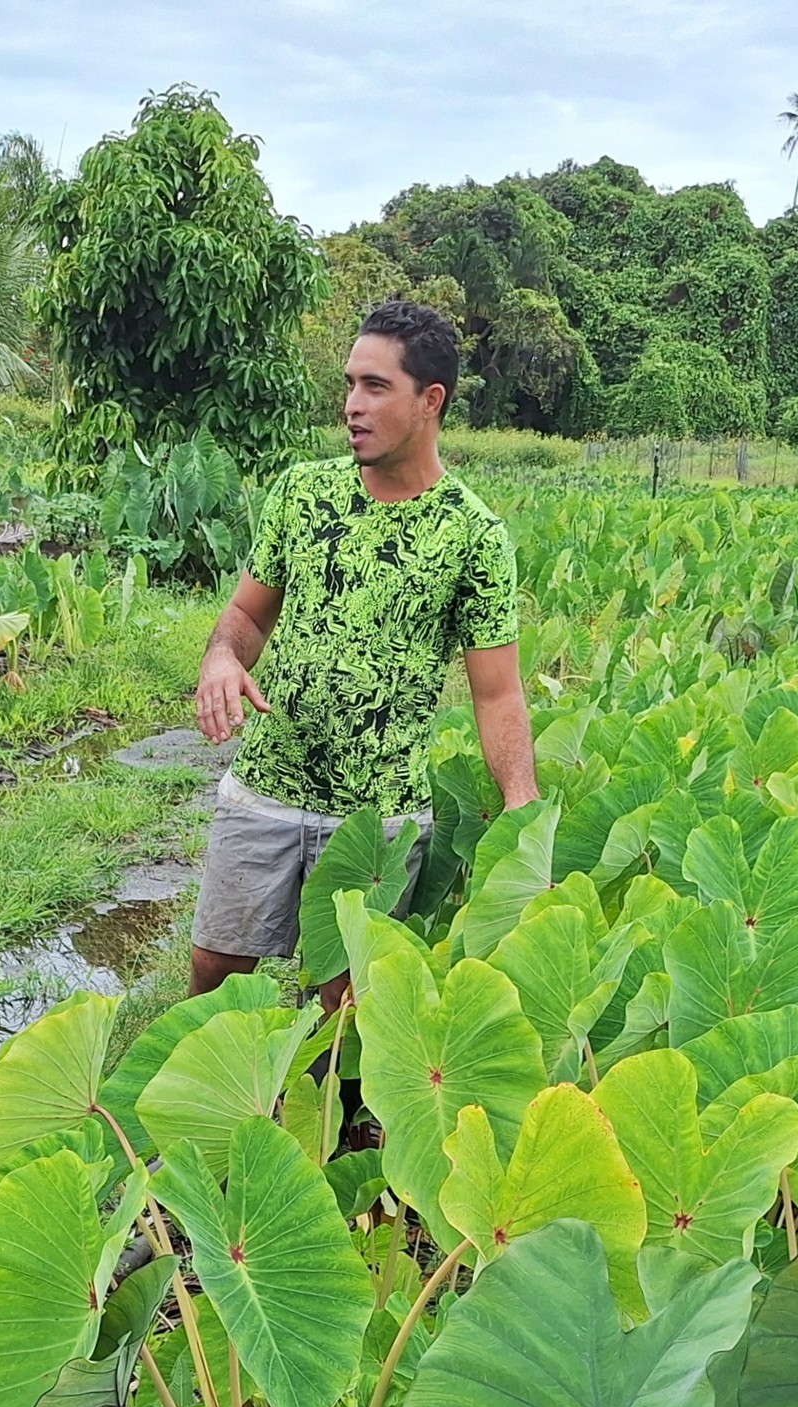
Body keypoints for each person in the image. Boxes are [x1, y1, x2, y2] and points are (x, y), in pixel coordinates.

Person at [190, 299, 538, 996]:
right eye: (350, 383)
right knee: (213, 976)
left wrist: (521, 800)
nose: (352, 404)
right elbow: (247, 617)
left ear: (429, 400)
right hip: (268, 783)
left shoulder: (472, 533)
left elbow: (495, 690)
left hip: (377, 814)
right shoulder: (302, 492)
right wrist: (222, 657)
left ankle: (320, 1107)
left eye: (375, 387)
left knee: (342, 1011)